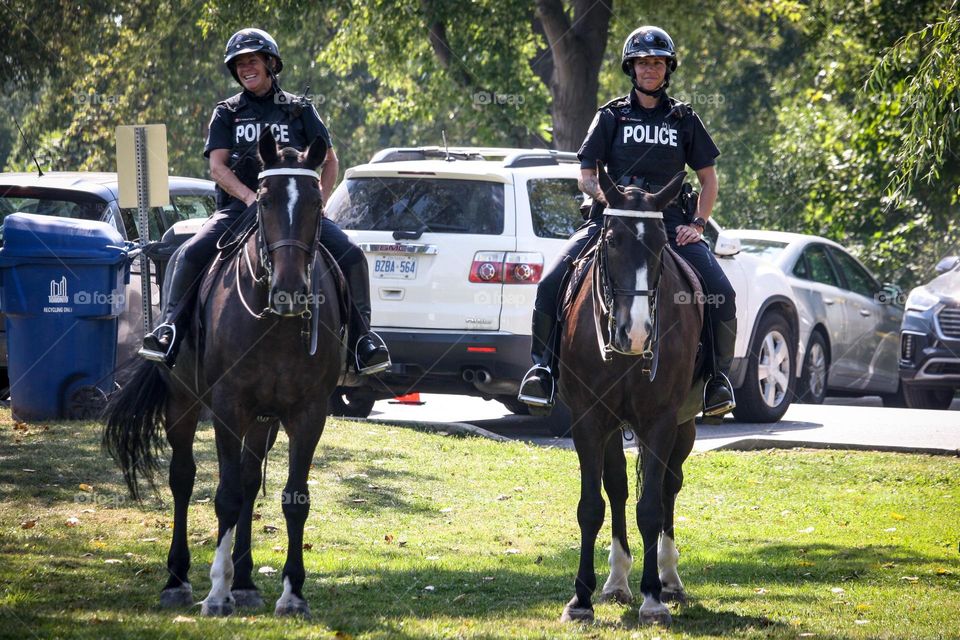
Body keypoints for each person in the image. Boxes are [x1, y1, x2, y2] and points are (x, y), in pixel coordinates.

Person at [139, 28, 390, 375]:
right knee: (191, 253)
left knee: (352, 254)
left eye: (252, 61)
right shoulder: (226, 112)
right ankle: (169, 331)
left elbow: (329, 159)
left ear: (270, 63)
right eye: (239, 64)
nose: (246, 69)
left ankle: (365, 342)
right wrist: (247, 197)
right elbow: (217, 166)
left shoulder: (301, 109)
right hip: (239, 209)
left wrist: (320, 199)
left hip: (295, 212)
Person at [518, 25, 737, 417]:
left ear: (667, 68)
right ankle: (543, 371)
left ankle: (717, 382)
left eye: (656, 63)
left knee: (722, 292)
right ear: (631, 68)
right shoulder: (610, 116)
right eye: (642, 63)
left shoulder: (684, 118)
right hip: (613, 224)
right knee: (551, 282)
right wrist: (608, 200)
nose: (649, 69)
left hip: (667, 226)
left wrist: (699, 223)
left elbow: (708, 180)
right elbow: (585, 174)